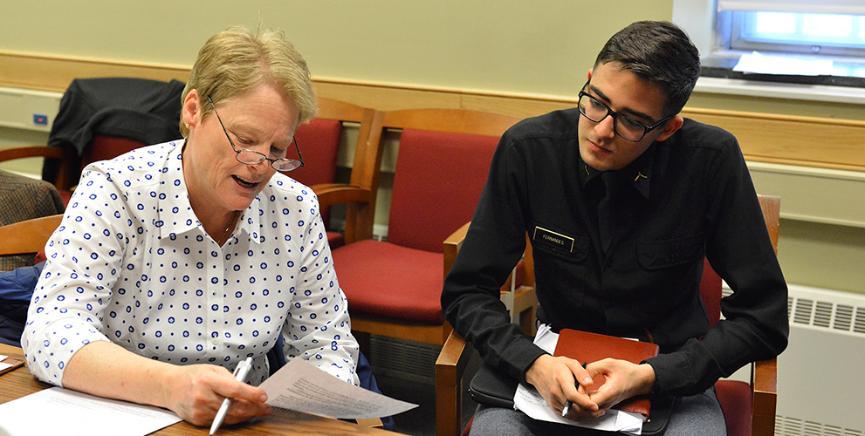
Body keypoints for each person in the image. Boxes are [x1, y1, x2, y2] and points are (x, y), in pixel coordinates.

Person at [441, 21, 788, 435]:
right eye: (596, 102)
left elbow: (764, 318)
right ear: (588, 81)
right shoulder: (528, 150)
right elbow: (466, 293)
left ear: (668, 128)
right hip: (553, 368)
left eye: (632, 122)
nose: (602, 131)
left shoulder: (710, 161)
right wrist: (532, 364)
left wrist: (653, 376)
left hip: (670, 378)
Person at [22, 26, 359, 426]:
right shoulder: (118, 190)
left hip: (244, 422)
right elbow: (51, 333)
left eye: (278, 150)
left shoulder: (295, 210)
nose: (259, 165)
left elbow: (327, 344)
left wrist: (318, 408)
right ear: (193, 110)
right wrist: (170, 386)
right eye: (245, 139)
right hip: (123, 411)